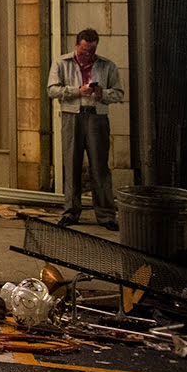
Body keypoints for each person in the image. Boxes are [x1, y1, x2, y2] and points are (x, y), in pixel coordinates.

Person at [47, 27, 125, 230]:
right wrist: (76, 91)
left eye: (91, 52)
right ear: (76, 45)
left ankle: (106, 216)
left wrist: (102, 94)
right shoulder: (61, 63)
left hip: (97, 118)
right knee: (71, 165)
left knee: (100, 167)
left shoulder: (107, 66)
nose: (87, 56)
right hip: (72, 117)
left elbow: (118, 93)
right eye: (83, 52)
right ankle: (71, 212)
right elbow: (51, 89)